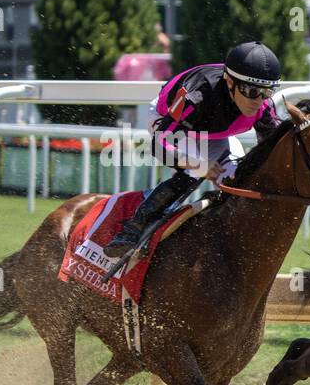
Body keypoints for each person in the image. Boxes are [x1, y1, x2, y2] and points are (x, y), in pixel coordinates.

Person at [103, 41, 283, 258]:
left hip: (216, 133)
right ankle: (132, 229)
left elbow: (273, 149)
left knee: (235, 177)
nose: (258, 100)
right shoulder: (196, 94)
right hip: (169, 123)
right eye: (251, 91)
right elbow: (160, 146)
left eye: (267, 92)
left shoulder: (263, 105)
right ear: (229, 82)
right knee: (193, 174)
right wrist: (197, 164)